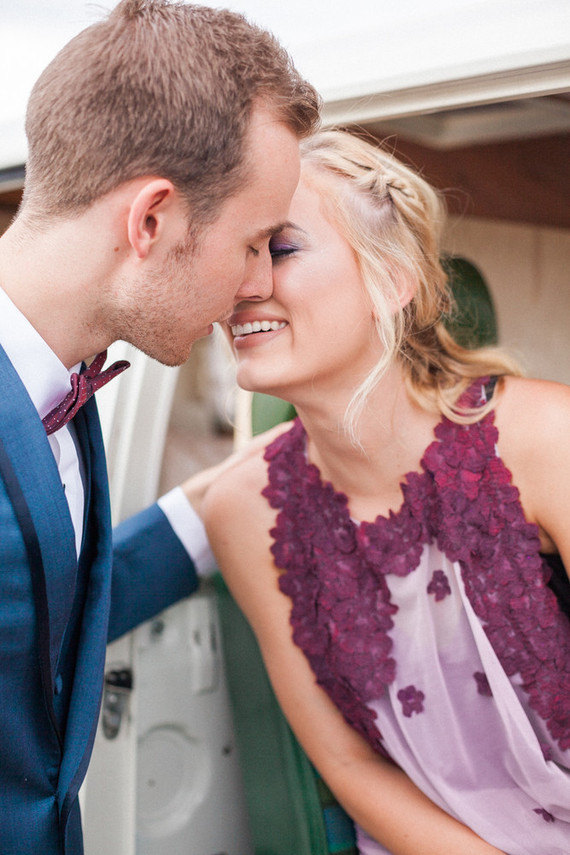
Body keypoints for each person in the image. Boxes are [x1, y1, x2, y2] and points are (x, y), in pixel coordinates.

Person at [0, 1, 320, 851]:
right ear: (151, 220)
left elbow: (31, 614)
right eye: (254, 242)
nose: (258, 283)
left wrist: (228, 496)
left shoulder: (65, 379)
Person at [203, 129, 570, 855]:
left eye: (279, 249)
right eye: (233, 254)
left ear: (393, 277)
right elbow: (347, 763)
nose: (242, 286)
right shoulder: (241, 511)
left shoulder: (547, 434)